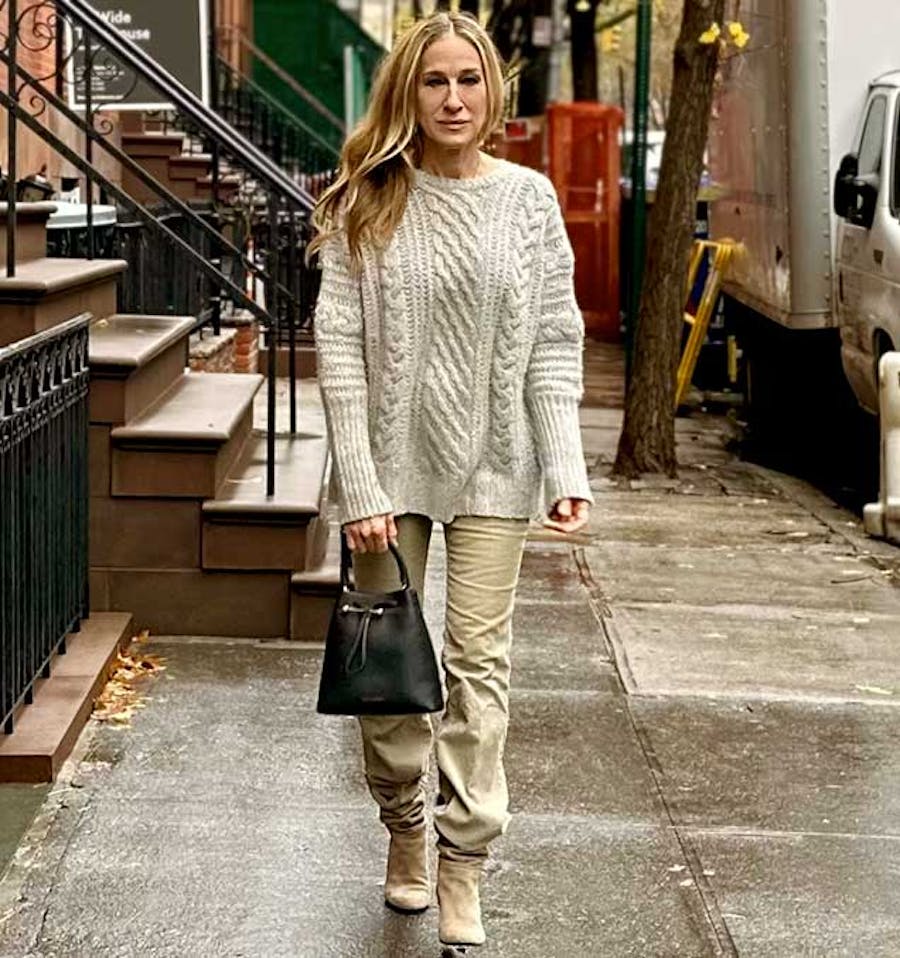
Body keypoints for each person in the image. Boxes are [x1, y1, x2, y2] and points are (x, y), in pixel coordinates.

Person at [310, 11, 592, 949]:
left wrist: (564, 463)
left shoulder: (527, 201)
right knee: (388, 671)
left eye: (468, 80)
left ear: (493, 91)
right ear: (409, 91)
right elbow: (341, 350)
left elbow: (555, 340)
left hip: (498, 470)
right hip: (387, 479)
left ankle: (462, 857)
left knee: (479, 665)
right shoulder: (367, 199)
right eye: (434, 81)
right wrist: (360, 483)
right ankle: (402, 827)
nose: (453, 98)